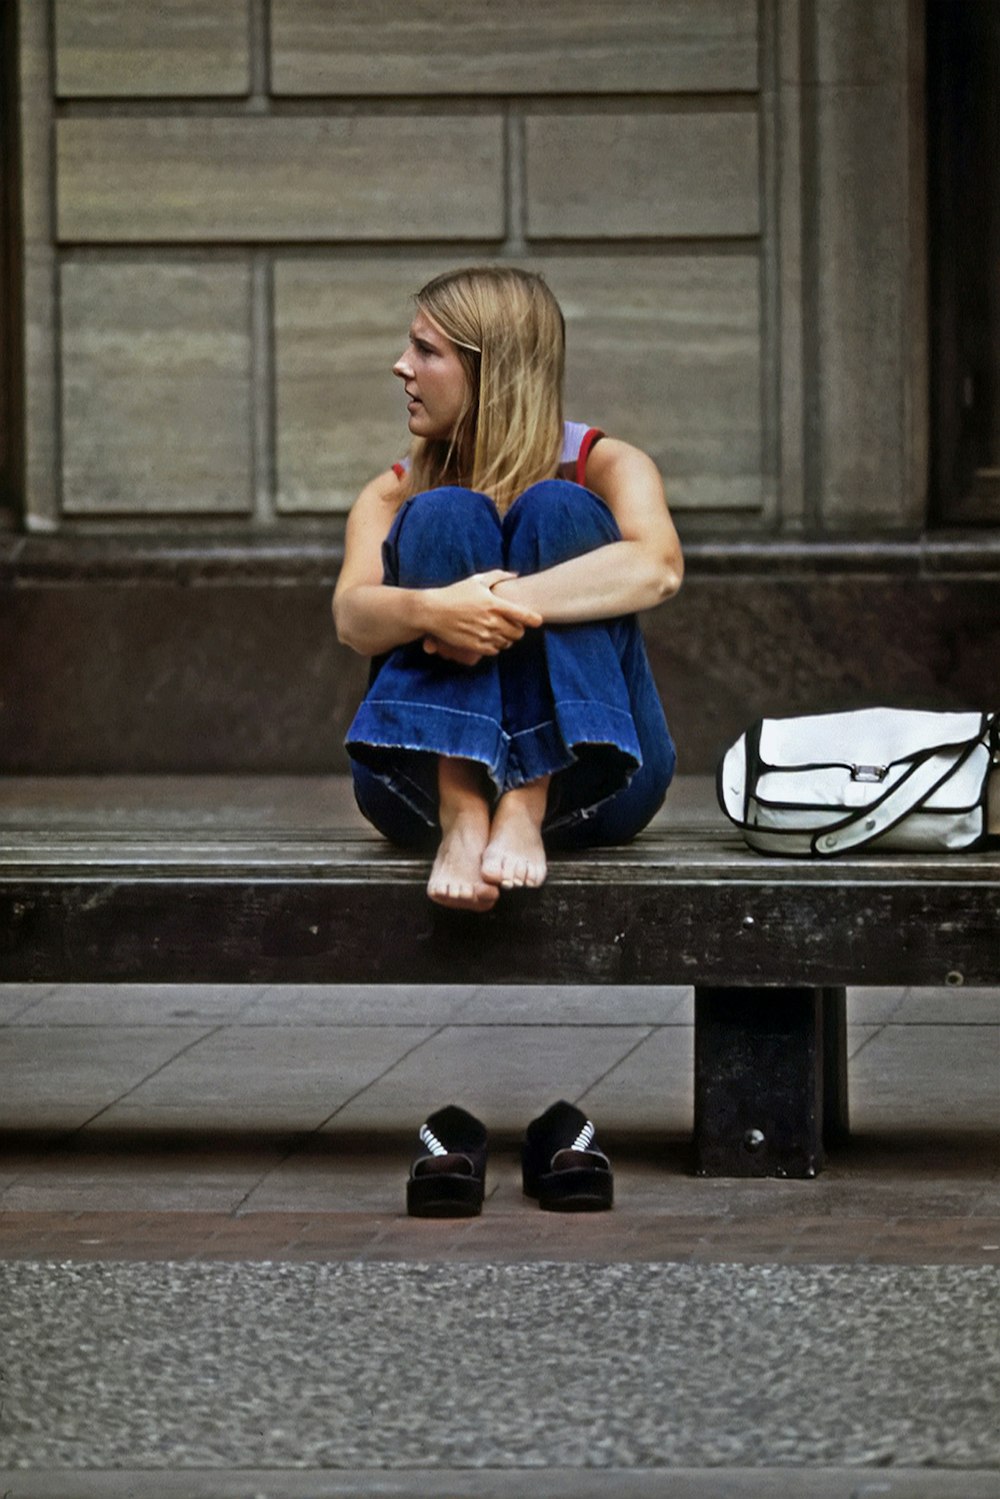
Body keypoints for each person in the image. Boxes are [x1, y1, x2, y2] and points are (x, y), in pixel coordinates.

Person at [333, 265, 683, 915]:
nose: (399, 366)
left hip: (598, 780)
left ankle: (526, 799)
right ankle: (464, 807)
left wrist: (489, 607)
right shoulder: (394, 490)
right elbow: (353, 618)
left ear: (491, 368)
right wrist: (434, 608)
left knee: (557, 507)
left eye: (426, 350)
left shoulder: (605, 465)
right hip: (416, 789)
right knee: (444, 514)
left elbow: (656, 568)